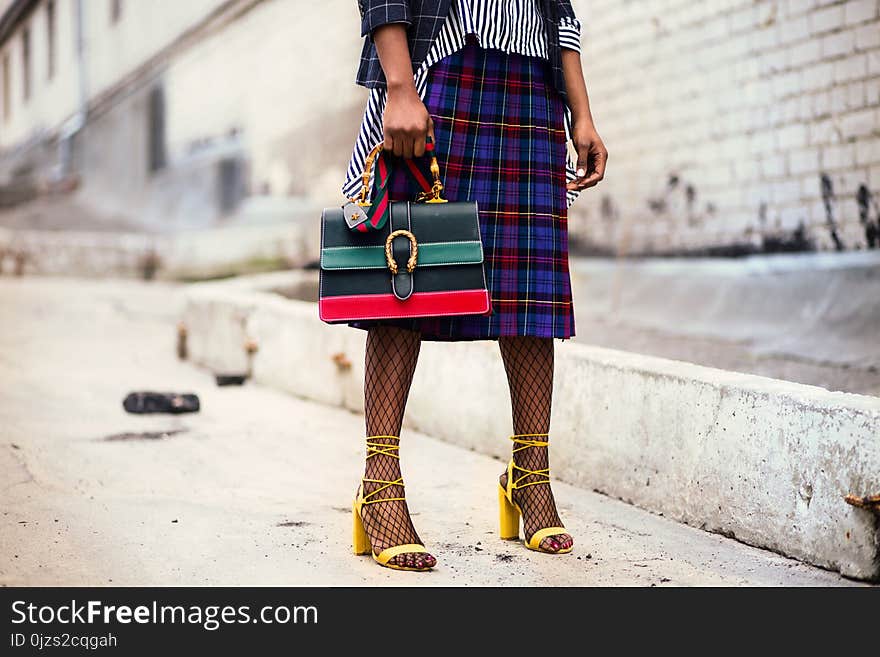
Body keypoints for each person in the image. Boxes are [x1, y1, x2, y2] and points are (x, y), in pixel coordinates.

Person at [345, 0, 607, 571]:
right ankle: (380, 484)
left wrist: (580, 112)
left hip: (535, 86)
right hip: (439, 70)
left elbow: (560, 9)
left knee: (529, 289)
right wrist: (398, 84)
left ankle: (530, 478)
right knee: (406, 277)